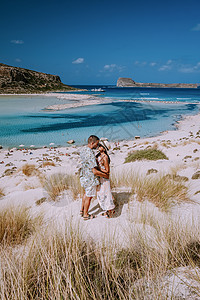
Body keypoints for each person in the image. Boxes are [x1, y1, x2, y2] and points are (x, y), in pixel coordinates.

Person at [79, 135, 109, 220]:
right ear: (92, 143)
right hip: (90, 178)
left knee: (86, 194)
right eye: (97, 143)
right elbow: (94, 171)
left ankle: (82, 210)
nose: (97, 145)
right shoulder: (90, 154)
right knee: (89, 196)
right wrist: (105, 175)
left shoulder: (83, 150)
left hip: (83, 176)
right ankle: (86, 215)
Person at [96, 140, 115, 218]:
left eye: (100, 146)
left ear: (104, 148)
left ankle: (110, 212)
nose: (99, 147)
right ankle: (108, 211)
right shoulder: (99, 155)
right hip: (101, 177)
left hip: (104, 178)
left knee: (106, 195)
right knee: (101, 194)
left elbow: (107, 170)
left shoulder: (105, 157)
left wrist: (98, 169)